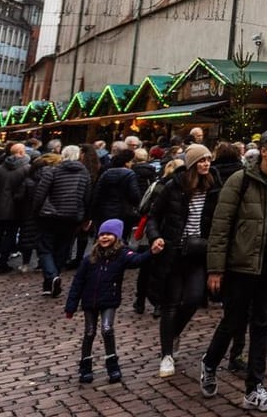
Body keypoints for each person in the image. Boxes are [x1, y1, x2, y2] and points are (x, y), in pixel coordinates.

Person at [202, 130, 267, 411]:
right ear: (264, 151)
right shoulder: (239, 180)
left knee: (262, 325)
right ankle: (209, 363)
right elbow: (221, 227)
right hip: (241, 265)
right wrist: (215, 268)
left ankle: (255, 387)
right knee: (233, 322)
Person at [149, 143, 218, 377]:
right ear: (191, 164)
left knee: (194, 298)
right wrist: (156, 238)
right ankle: (166, 354)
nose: (206, 164)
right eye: (201, 160)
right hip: (173, 251)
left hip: (199, 252)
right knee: (169, 304)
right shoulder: (173, 187)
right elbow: (153, 216)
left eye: (208, 159)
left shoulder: (213, 187)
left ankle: (173, 334)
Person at [66, 219, 163, 384]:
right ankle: (85, 366)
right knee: (89, 332)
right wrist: (71, 306)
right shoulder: (89, 259)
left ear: (116, 237)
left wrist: (152, 252)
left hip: (109, 300)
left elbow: (137, 260)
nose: (105, 238)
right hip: (89, 301)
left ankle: (112, 366)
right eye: (102, 234)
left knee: (107, 329)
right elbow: (78, 282)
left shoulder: (122, 255)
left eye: (109, 234)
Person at [33, 145, 92, 298]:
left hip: (50, 215)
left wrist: (36, 212)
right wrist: (85, 217)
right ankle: (51, 282)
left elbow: (41, 193)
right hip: (72, 216)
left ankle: (52, 277)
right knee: (62, 249)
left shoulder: (53, 170)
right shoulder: (84, 173)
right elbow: (87, 197)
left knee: (45, 248)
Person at [0, 143, 33, 273]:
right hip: (17, 207)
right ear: (21, 152)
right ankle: (3, 262)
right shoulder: (27, 168)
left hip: (0, 206)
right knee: (11, 235)